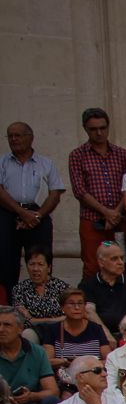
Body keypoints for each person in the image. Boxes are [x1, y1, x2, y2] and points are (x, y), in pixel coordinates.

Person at [1, 122, 65, 299]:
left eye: (18, 135)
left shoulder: (46, 163)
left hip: (39, 216)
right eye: (10, 136)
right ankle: (9, 307)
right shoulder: (2, 163)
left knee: (41, 260)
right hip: (8, 215)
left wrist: (37, 215)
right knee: (5, 263)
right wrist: (22, 213)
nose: (14, 139)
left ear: (30, 137)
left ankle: (42, 302)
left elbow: (55, 193)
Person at [68, 108, 126, 275]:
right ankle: (91, 301)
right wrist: (106, 212)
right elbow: (79, 190)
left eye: (103, 128)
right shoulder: (77, 155)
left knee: (122, 263)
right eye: (93, 129)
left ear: (108, 127)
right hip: (92, 220)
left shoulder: (122, 155)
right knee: (93, 264)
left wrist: (115, 212)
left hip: (120, 220)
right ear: (85, 129)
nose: (99, 133)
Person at [0, 303, 59, 404]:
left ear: (20, 329)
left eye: (7, 325)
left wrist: (32, 396)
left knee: (51, 402)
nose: (1, 329)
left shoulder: (36, 352)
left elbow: (53, 391)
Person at [80, 241, 126, 336]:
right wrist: (106, 335)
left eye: (122, 258)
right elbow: (90, 313)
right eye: (114, 259)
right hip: (98, 335)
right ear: (101, 262)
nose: (120, 262)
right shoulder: (87, 285)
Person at [44, 289, 112, 372]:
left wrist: (85, 365)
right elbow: (47, 362)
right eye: (71, 303)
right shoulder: (52, 330)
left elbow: (109, 361)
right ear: (62, 307)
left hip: (92, 377)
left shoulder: (96, 329)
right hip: (64, 379)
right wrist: (64, 362)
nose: (76, 307)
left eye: (80, 303)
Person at [14, 248, 71, 337]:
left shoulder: (63, 288)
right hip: (34, 332)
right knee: (27, 334)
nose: (35, 269)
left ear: (49, 268)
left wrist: (33, 320)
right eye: (31, 264)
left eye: (40, 264)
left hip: (60, 331)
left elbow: (69, 317)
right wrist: (55, 319)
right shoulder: (20, 289)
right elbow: (23, 321)